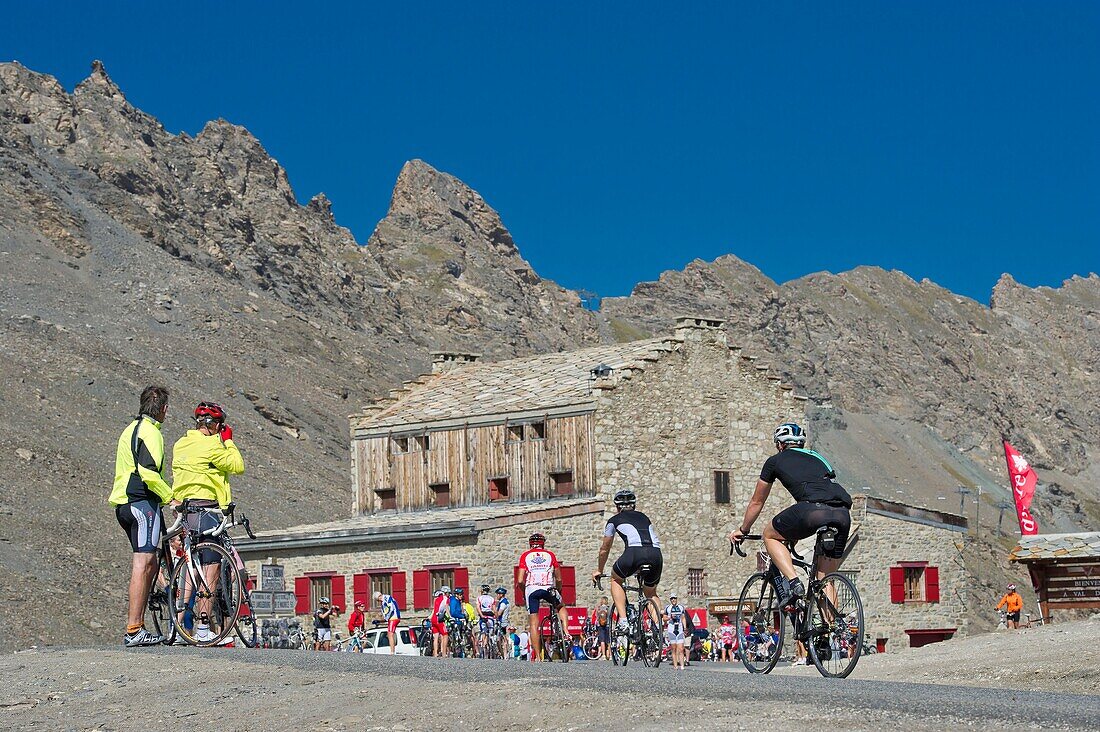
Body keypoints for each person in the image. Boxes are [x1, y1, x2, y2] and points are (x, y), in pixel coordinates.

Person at [729, 423, 852, 609]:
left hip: (811, 510)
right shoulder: (818, 457)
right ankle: (833, 631)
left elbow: (757, 502)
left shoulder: (775, 461)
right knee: (825, 581)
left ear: (780, 444)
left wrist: (743, 529)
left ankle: (794, 583)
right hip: (842, 513)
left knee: (769, 535)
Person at [171, 401, 245, 643]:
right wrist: (228, 439)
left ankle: (180, 626)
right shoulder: (213, 445)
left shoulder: (181, 443)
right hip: (208, 508)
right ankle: (203, 627)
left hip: (184, 508)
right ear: (216, 426)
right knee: (210, 567)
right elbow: (238, 465)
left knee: (190, 566)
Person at [110, 385, 173, 647]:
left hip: (123, 504)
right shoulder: (152, 433)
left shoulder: (128, 430)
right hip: (142, 503)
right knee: (143, 562)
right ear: (164, 410)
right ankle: (134, 628)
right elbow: (148, 473)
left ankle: (140, 624)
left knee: (147, 562)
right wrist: (171, 497)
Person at [593, 490, 664, 637]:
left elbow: (604, 549)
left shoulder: (613, 520)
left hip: (634, 553)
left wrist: (599, 570)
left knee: (616, 579)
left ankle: (624, 621)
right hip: (656, 554)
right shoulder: (644, 517)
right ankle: (657, 626)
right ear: (634, 505)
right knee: (651, 592)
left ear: (617, 507)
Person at [518, 532, 569, 662]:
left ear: (530, 544)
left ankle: (539, 657)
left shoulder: (525, 556)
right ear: (543, 544)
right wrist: (559, 590)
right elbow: (558, 577)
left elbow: (519, 581)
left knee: (534, 624)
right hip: (548, 587)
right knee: (561, 606)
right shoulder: (550, 555)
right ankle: (566, 631)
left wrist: (525, 592)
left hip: (531, 589)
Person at [664, 592, 687, 670]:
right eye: (672, 599)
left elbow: (683, 618)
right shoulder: (668, 608)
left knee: (681, 648)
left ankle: (682, 666)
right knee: (673, 648)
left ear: (677, 599)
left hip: (679, 629)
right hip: (671, 630)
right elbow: (664, 618)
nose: (673, 600)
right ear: (670, 600)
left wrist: (685, 628)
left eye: (674, 598)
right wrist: (670, 617)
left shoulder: (681, 607)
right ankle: (675, 666)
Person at [431, 587, 451, 658]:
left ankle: (435, 653)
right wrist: (450, 616)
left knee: (436, 637)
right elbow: (446, 607)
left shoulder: (436, 599)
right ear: (446, 593)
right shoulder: (446, 599)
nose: (449, 595)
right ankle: (444, 653)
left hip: (433, 618)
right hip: (439, 619)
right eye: (448, 593)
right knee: (445, 635)